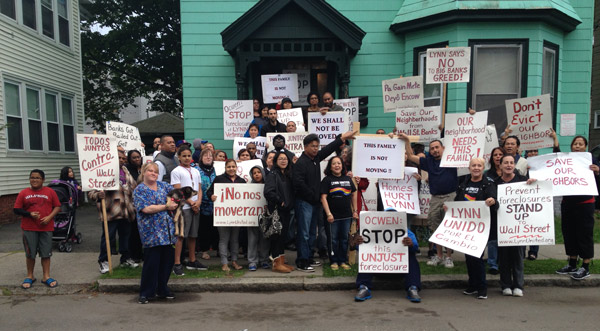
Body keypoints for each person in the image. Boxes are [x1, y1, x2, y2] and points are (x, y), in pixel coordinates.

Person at [293, 130, 357, 272]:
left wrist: (341, 139)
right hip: (304, 202)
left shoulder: (315, 159)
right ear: (305, 147)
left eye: (317, 146)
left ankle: (309, 257)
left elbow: (328, 150)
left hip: (314, 203)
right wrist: (313, 196)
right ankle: (302, 261)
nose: (316, 148)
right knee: (303, 233)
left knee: (311, 233)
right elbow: (299, 184)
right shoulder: (300, 162)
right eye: (312, 146)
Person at [398, 133, 458, 268]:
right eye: (432, 148)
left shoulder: (452, 159)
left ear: (443, 148)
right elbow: (412, 156)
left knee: (449, 227)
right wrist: (407, 141)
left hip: (451, 197)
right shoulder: (429, 162)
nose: (435, 150)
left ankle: (448, 257)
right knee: (435, 226)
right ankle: (439, 255)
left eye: (437, 147)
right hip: (436, 198)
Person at [555, 135, 599, 280]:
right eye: (575, 144)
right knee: (569, 233)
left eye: (581, 144)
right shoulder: (566, 160)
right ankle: (572, 263)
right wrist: (555, 139)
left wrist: (597, 171)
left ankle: (585, 266)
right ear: (572, 146)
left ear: (585, 146)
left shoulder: (590, 160)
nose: (578, 146)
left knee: (584, 234)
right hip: (568, 203)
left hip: (585, 203)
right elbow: (555, 160)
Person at [133, 162, 178, 304]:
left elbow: (177, 196)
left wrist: (172, 201)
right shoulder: (139, 190)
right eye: (150, 171)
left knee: (167, 262)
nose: (153, 173)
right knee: (151, 263)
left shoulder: (164, 186)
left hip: (167, 231)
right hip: (151, 232)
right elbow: (145, 209)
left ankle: (162, 288)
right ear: (143, 172)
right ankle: (146, 292)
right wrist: (166, 206)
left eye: (156, 172)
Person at [453, 158, 497, 300]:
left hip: (481, 227)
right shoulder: (464, 183)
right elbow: (457, 202)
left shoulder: (488, 184)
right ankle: (472, 285)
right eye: (474, 165)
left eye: (479, 165)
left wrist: (492, 201)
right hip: (466, 226)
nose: (476, 168)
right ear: (469, 167)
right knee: (469, 257)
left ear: (483, 167)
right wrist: (450, 208)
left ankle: (482, 288)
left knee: (477, 257)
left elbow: (495, 201)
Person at [89, 150, 139, 274]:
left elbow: (133, 186)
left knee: (125, 236)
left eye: (123, 158)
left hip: (126, 210)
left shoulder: (125, 171)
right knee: (108, 237)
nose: (121, 160)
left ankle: (125, 258)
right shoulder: (103, 172)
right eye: (119, 158)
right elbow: (91, 192)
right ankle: (104, 260)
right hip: (111, 210)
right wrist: (97, 194)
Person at [495, 154, 536, 297]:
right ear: (500, 165)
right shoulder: (495, 183)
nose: (508, 165)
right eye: (505, 162)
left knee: (518, 256)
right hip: (503, 227)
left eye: (511, 163)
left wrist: (533, 184)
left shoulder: (523, 181)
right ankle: (505, 285)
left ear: (514, 165)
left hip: (519, 226)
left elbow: (534, 195)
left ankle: (518, 285)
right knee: (504, 258)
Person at [14, 169, 61, 289]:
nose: (34, 180)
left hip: (46, 228)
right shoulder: (23, 193)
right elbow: (17, 209)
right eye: (32, 177)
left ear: (43, 180)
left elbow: (57, 206)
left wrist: (49, 217)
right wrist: (29, 214)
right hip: (29, 228)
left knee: (46, 253)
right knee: (30, 254)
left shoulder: (50, 192)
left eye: (37, 178)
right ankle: (30, 276)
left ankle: (46, 276)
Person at [354, 228, 422, 303]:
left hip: (399, 269)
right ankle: (364, 287)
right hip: (377, 269)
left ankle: (412, 288)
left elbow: (415, 247)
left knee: (411, 256)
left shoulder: (405, 230)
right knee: (367, 253)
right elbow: (359, 248)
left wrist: (411, 244)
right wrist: (359, 243)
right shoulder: (370, 230)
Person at [170, 145, 207, 275]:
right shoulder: (176, 171)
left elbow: (199, 188)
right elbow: (178, 190)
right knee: (181, 236)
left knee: (193, 235)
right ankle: (177, 263)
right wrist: (191, 203)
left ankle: (192, 260)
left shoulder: (196, 171)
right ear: (179, 157)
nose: (186, 158)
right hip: (184, 207)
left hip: (195, 206)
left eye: (188, 156)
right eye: (184, 156)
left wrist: (199, 202)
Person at [208, 159, 247, 271]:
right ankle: (224, 263)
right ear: (225, 168)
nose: (231, 169)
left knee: (235, 239)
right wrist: (212, 196)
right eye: (229, 167)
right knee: (224, 239)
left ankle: (234, 261)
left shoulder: (241, 181)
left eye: (233, 167)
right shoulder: (219, 179)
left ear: (236, 167)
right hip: (223, 215)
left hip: (237, 215)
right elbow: (209, 192)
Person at [320, 156, 357, 270]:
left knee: (344, 239)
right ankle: (334, 261)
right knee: (333, 239)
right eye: (334, 163)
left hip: (346, 216)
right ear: (330, 167)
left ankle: (342, 261)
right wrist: (328, 214)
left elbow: (353, 194)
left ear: (342, 165)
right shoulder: (327, 180)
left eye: (339, 163)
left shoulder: (348, 179)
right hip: (333, 217)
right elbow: (323, 197)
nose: (337, 165)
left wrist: (355, 211)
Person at [264, 151, 296, 273]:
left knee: (283, 236)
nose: (283, 161)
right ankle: (276, 264)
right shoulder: (273, 174)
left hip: (287, 210)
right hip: (277, 211)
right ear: (276, 161)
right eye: (280, 159)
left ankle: (281, 261)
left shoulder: (287, 174)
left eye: (285, 159)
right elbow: (268, 192)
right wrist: (280, 201)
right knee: (277, 236)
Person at [484, 146, 505, 274]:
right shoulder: (487, 174)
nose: (498, 157)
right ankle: (492, 264)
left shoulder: (513, 172)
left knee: (504, 236)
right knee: (492, 237)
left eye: (500, 154)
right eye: (495, 155)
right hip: (492, 210)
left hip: (508, 210)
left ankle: (503, 262)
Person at [195, 149, 219, 260]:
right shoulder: (196, 170)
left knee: (217, 229)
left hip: (217, 204)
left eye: (210, 156)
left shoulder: (217, 169)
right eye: (205, 156)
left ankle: (218, 249)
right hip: (202, 204)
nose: (208, 157)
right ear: (201, 158)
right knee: (204, 229)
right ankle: (204, 250)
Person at [247, 165, 271, 271]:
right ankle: (252, 261)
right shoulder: (248, 187)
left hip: (265, 217)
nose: (256, 174)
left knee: (264, 239)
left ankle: (264, 260)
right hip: (252, 218)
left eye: (259, 172)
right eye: (254, 173)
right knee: (252, 240)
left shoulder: (268, 185)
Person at [125, 150, 144, 262]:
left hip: (142, 202)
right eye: (134, 158)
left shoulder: (143, 168)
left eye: (138, 157)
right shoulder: (127, 170)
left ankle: (141, 253)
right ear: (129, 159)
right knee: (133, 231)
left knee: (141, 230)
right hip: (132, 204)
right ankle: (134, 254)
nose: (137, 159)